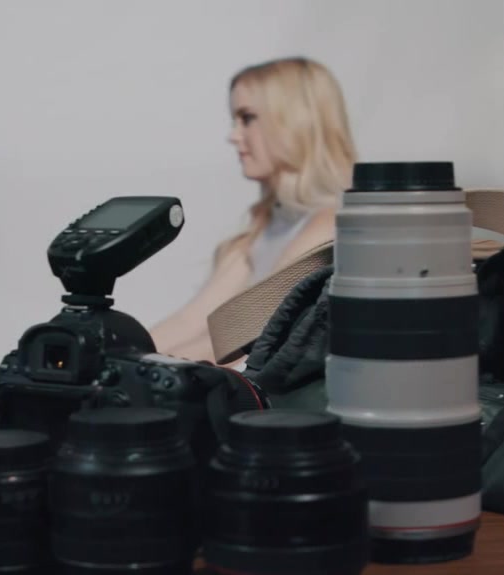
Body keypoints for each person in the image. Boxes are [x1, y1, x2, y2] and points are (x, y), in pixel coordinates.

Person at [149, 57, 357, 364]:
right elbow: (195, 321)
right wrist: (110, 353)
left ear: (295, 121)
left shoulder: (329, 226)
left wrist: (126, 368)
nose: (233, 136)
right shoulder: (264, 226)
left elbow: (241, 342)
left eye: (247, 118)